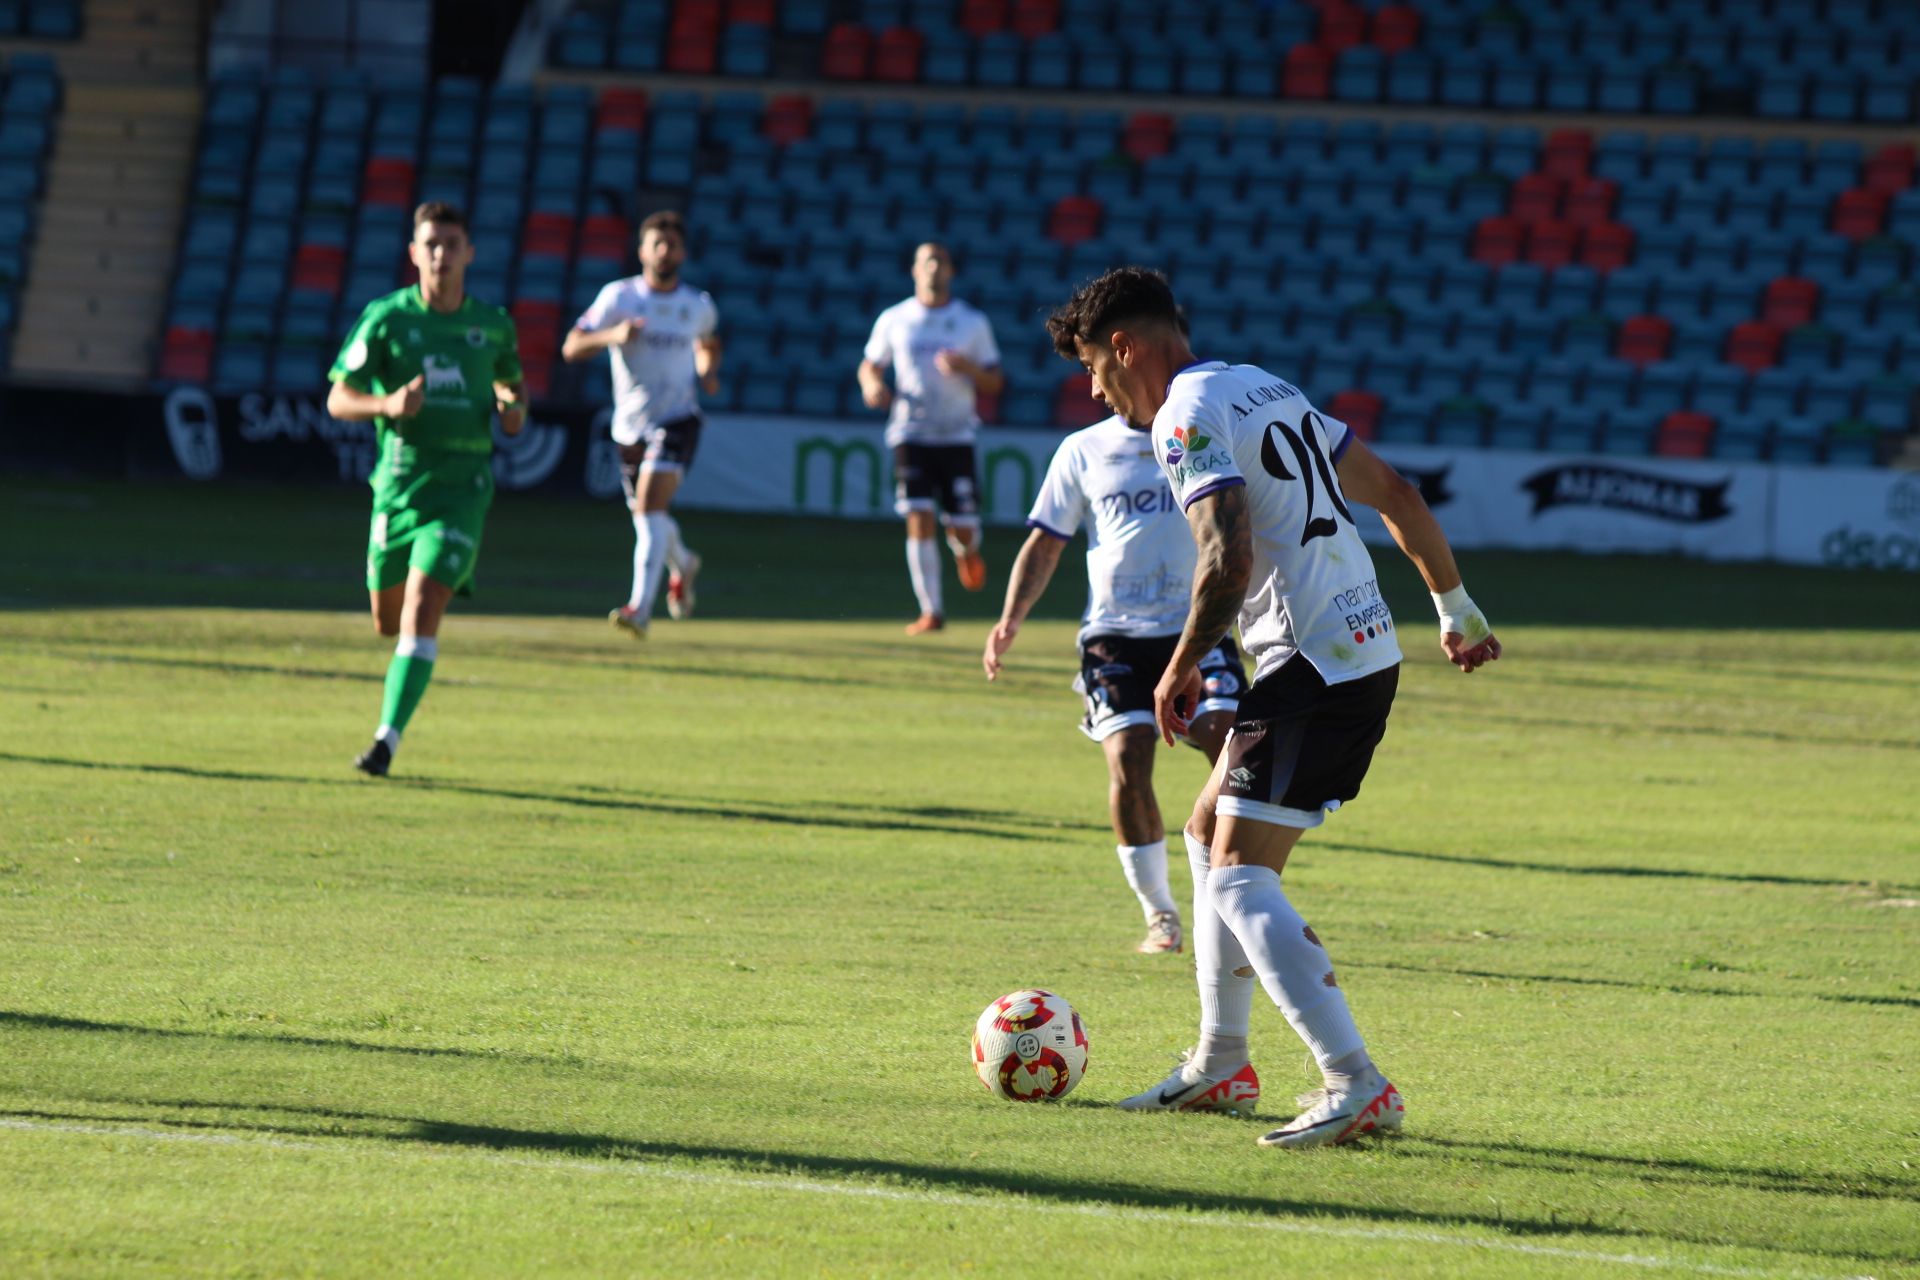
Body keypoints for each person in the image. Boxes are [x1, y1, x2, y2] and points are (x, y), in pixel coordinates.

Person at [1045, 267, 1501, 1148]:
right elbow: (1397, 493)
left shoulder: (1182, 417)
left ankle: (1355, 1083)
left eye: (1095, 369)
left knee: (1239, 877)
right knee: (1205, 831)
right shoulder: (1262, 386)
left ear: (1126, 346)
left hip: (1314, 662)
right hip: (1352, 647)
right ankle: (1222, 1064)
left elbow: (1226, 557)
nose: (1095, 389)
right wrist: (1455, 607)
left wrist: (1177, 670)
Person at [982, 409, 1246, 954]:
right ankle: (1161, 915)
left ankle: (1235, 895)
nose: (1098, 386)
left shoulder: (1198, 435)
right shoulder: (1082, 448)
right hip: (1115, 635)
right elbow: (1046, 540)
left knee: (1226, 739)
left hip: (1197, 626)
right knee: (1127, 754)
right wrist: (1011, 617)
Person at [326, 202, 524, 778]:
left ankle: (385, 742)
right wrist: (386, 404)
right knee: (388, 623)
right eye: (430, 244)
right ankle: (398, 696)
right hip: (399, 485)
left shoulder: (493, 325)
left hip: (463, 487)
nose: (441, 254)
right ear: (414, 253)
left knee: (423, 602)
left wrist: (513, 412)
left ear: (469, 253)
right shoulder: (387, 319)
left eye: (451, 243)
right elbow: (339, 398)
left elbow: (514, 398)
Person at [561, 209, 721, 640]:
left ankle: (639, 609)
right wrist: (610, 337)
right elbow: (572, 346)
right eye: (657, 243)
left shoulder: (697, 305)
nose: (665, 251)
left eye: (672, 244)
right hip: (630, 424)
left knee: (649, 507)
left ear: (683, 252)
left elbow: (710, 342)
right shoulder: (618, 298)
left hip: (678, 419)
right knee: (648, 516)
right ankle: (683, 562)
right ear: (642, 251)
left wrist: (707, 370)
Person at [857, 242, 1003, 635]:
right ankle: (931, 611)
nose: (933, 268)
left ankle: (966, 549)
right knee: (918, 516)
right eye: (926, 262)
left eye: (940, 261)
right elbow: (870, 364)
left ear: (951, 270)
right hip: (910, 430)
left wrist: (967, 367)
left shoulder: (971, 321)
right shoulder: (896, 318)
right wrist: (872, 385)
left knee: (963, 527)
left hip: (956, 435)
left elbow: (995, 380)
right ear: (914, 270)